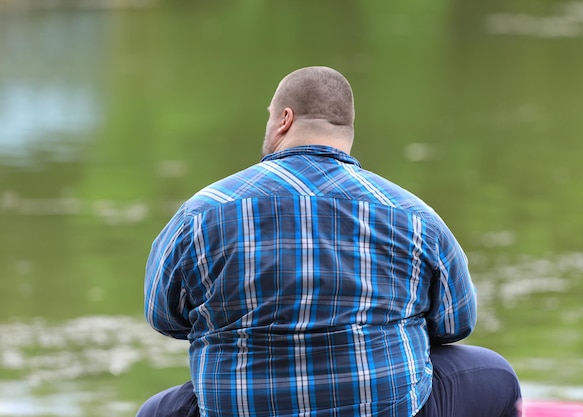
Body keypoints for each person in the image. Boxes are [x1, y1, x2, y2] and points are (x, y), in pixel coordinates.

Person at [138, 66, 521, 417]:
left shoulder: (202, 213)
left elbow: (164, 317)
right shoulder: (413, 215)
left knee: (157, 410)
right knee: (497, 374)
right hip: (382, 409)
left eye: (269, 115)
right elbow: (455, 324)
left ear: (284, 119)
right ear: (346, 131)